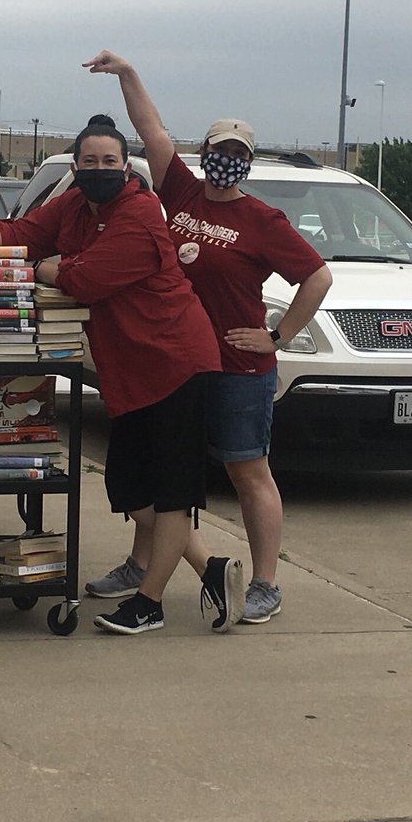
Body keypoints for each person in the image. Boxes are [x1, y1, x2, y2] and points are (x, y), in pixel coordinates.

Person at [0, 113, 245, 636]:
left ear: (126, 167)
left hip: (176, 362)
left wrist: (49, 267)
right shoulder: (74, 203)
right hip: (129, 370)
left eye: (110, 162)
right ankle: (212, 570)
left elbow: (86, 280)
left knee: (171, 494)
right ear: (75, 166)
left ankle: (150, 603)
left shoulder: (141, 214)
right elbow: (23, 233)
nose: (100, 169)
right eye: (90, 161)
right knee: (128, 485)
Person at [84, 51, 333, 623]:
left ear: (248, 162)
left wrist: (278, 335)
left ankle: (265, 581)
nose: (225, 161)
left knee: (247, 471)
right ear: (204, 154)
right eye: (217, 151)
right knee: (163, 472)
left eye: (236, 155)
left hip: (236, 370)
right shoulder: (182, 194)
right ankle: (142, 564)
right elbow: (150, 130)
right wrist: (128, 76)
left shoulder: (264, 221)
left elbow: (317, 277)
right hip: (174, 362)